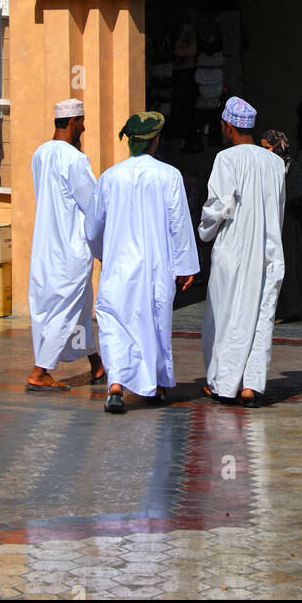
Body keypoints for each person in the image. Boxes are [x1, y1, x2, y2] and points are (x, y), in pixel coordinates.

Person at [87, 111, 198, 414]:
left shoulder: (109, 177)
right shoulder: (169, 175)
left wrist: (102, 253)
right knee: (155, 325)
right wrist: (185, 265)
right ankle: (157, 385)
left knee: (115, 324)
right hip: (155, 269)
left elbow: (93, 227)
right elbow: (179, 223)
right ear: (155, 141)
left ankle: (115, 386)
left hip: (118, 268)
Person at [199, 96, 285, 407]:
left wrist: (203, 233)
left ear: (227, 125)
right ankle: (250, 385)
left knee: (226, 314)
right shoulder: (275, 162)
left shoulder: (226, 159)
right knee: (260, 315)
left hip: (233, 250)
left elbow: (219, 205)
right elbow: (278, 207)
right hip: (268, 251)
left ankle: (223, 383)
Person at [26, 98, 105, 392]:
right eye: (82, 123)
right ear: (74, 122)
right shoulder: (74, 160)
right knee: (66, 309)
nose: (83, 128)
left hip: (46, 246)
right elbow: (93, 206)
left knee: (79, 308)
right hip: (70, 249)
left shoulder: (40, 153)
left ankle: (96, 365)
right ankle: (40, 371)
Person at [262, 129, 302, 322]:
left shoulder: (292, 167)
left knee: (289, 263)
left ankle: (288, 310)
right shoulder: (265, 167)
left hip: (289, 224)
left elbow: (296, 193)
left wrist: (275, 199)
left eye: (268, 147)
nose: (265, 151)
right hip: (273, 222)